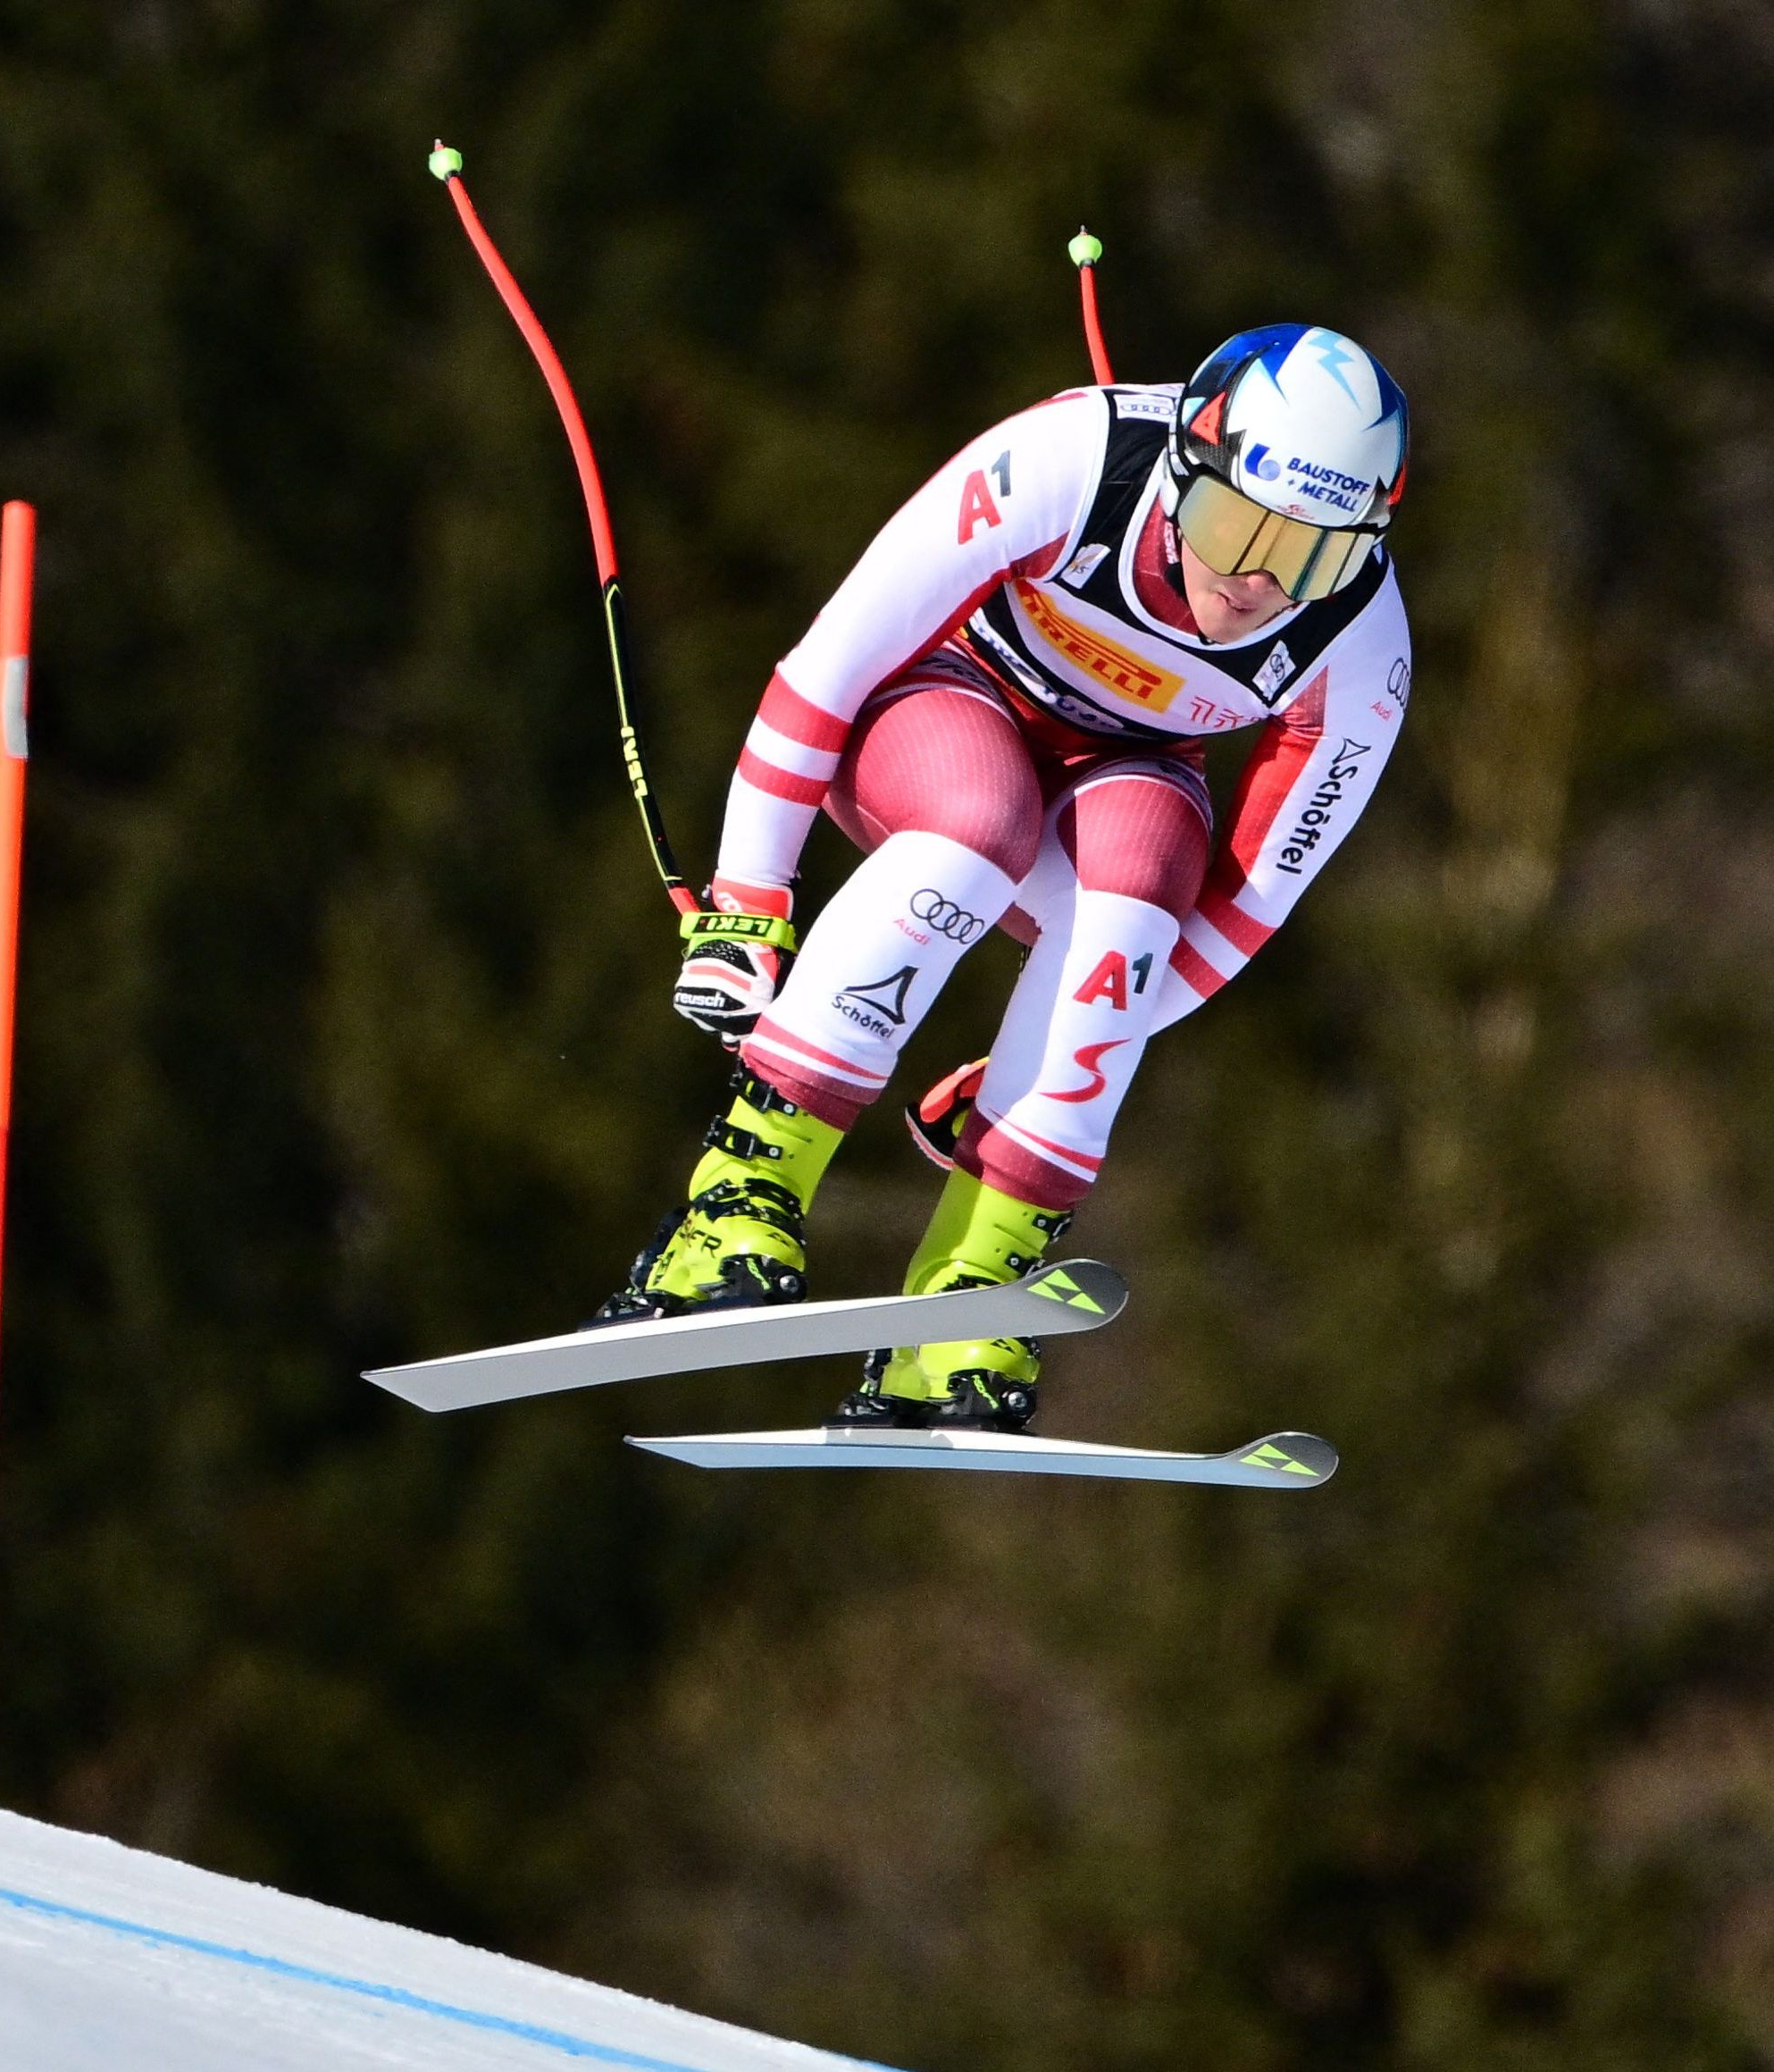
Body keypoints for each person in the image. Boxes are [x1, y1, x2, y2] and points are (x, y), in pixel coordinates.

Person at [594, 324, 1412, 1431]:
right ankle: (739, 1202)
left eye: (1312, 553)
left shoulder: (1360, 642)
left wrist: (1050, 1059)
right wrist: (746, 905)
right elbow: (823, 676)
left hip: (1125, 766)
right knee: (980, 826)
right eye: (1235, 524)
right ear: (1184, 470)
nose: (1257, 578)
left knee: (1142, 892)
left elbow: (1244, 912)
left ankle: (967, 1308)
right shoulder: (1072, 464)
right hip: (940, 705)